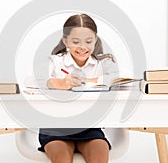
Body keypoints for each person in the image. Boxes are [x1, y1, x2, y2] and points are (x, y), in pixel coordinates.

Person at [38, 13, 117, 163]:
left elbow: (118, 78)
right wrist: (62, 83)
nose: (82, 47)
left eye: (88, 41)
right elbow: (33, 80)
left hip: (89, 128)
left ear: (95, 40)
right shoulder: (55, 61)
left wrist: (86, 81)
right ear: (65, 41)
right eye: (75, 41)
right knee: (62, 159)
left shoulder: (102, 63)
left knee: (100, 156)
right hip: (55, 128)